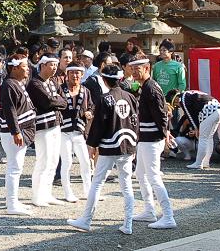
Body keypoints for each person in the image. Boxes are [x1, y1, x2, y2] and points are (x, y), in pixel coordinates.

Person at [68, 64, 138, 235]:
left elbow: (99, 125)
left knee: (97, 182)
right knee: (126, 184)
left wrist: (93, 144)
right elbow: (136, 122)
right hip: (128, 144)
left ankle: (86, 219)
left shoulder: (105, 98)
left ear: (104, 80)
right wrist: (135, 143)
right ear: (120, 79)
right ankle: (128, 224)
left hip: (109, 145)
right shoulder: (130, 97)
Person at [129, 57, 177, 229]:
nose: (134, 72)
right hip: (145, 138)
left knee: (153, 176)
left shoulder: (151, 87)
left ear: (147, 68)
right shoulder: (146, 86)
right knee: (140, 174)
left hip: (152, 138)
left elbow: (162, 113)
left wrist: (165, 135)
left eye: (138, 68)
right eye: (132, 69)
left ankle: (168, 215)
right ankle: (149, 209)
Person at [27, 55, 66, 207]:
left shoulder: (53, 81)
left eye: (56, 65)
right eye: (51, 65)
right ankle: (37, 196)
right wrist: (56, 100)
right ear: (42, 65)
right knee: (43, 160)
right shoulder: (35, 83)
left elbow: (63, 101)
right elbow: (47, 101)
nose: (55, 68)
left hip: (56, 124)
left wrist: (56, 101)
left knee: (54, 160)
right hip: (43, 127)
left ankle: (47, 193)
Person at [0, 55, 36, 216]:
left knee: (16, 168)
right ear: (14, 68)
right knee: (14, 168)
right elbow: (9, 110)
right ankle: (12, 204)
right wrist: (16, 131)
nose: (28, 69)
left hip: (19, 130)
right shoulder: (8, 85)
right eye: (24, 66)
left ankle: (14, 201)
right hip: (13, 132)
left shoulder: (16, 83)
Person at [59, 62, 93, 203]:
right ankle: (68, 192)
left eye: (77, 72)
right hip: (64, 131)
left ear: (82, 74)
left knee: (85, 161)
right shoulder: (60, 89)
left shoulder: (85, 91)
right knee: (66, 162)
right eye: (72, 72)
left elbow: (91, 106)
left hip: (79, 131)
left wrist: (90, 112)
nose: (75, 75)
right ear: (67, 74)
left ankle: (88, 190)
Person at [169, 90, 220, 170]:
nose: (178, 106)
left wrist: (196, 128)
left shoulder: (183, 98)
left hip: (208, 111)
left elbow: (189, 115)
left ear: (176, 98)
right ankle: (205, 162)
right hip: (218, 109)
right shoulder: (190, 93)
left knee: (203, 138)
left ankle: (198, 163)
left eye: (176, 104)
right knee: (209, 137)